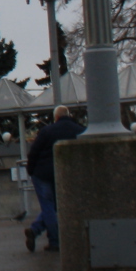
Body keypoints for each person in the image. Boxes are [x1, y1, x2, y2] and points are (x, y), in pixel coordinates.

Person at [24, 105, 85, 253]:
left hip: (42, 173)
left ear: (56, 117)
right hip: (65, 174)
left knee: (48, 206)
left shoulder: (47, 131)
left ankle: (54, 241)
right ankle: (35, 230)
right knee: (55, 206)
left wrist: (31, 170)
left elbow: (34, 152)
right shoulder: (80, 131)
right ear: (68, 115)